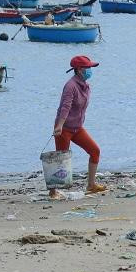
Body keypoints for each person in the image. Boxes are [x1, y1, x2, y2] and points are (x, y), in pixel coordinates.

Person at [49, 55, 106, 199]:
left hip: (77, 127)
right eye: (88, 68)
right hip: (64, 128)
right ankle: (53, 192)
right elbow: (65, 107)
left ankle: (91, 185)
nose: (90, 70)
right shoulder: (70, 86)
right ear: (79, 70)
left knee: (95, 151)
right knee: (60, 160)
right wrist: (59, 126)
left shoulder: (85, 86)